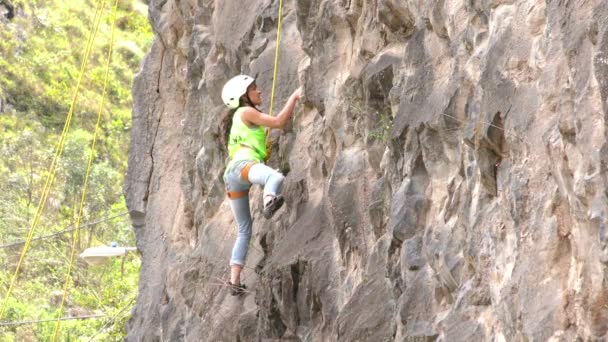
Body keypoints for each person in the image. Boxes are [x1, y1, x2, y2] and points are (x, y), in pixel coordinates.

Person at [220, 74, 302, 296]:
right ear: (243, 96)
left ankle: (234, 282)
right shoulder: (246, 111)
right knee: (274, 178)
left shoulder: (240, 118)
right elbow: (279, 122)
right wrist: (294, 97)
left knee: (244, 230)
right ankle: (269, 202)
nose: (260, 91)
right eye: (254, 89)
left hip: (232, 175)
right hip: (243, 167)